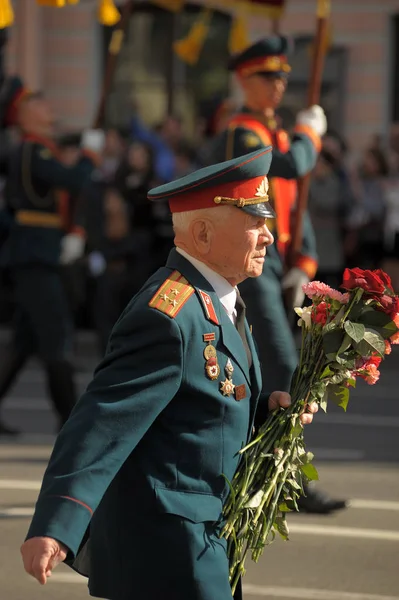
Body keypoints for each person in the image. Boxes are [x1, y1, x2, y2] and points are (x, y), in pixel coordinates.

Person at [21, 148, 318, 600]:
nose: (269, 238)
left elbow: (203, 401)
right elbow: (102, 421)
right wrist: (55, 523)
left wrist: (266, 410)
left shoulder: (221, 300)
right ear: (202, 233)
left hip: (205, 539)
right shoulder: (168, 316)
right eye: (255, 224)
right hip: (168, 551)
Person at [211, 36, 346, 514]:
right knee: (283, 368)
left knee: (270, 373)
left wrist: (304, 263)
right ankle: (284, 479)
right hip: (251, 265)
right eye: (269, 76)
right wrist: (311, 135)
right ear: (245, 79)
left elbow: (293, 205)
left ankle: (261, 475)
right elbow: (288, 166)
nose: (279, 84)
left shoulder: (275, 132)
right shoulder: (242, 133)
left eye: (283, 77)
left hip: (276, 265)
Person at [0, 77, 103, 435]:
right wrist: (89, 156)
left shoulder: (42, 147)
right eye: (38, 104)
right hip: (35, 254)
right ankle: (71, 418)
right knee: (56, 334)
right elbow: (73, 180)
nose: (48, 108)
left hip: (38, 251)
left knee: (25, 342)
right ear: (24, 116)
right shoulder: (33, 150)